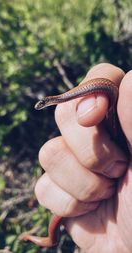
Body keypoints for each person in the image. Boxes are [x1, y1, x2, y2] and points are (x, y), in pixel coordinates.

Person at [34, 63, 132, 253]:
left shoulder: (62, 98)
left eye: (41, 104)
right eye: (41, 105)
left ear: (47, 101)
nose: (40, 106)